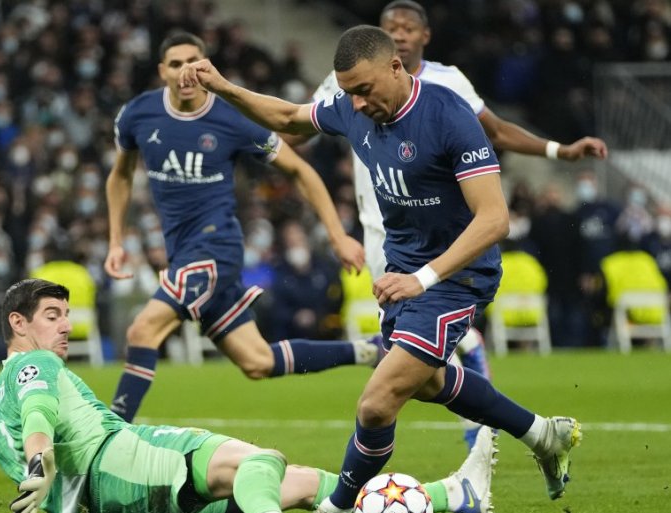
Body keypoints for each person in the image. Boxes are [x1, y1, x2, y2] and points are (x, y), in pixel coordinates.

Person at [179, 24, 582, 511]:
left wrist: (422, 279)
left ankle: (337, 506)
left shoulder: (447, 114)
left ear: (395, 67)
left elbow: (495, 220)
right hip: (402, 272)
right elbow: (288, 116)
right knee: (428, 381)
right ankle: (542, 434)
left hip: (456, 277)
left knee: (376, 403)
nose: (357, 103)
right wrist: (223, 87)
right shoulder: (353, 109)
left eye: (365, 90)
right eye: (348, 92)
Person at [0, 278, 499, 513]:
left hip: (108, 498)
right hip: (124, 459)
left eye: (66, 314)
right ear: (17, 324)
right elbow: (39, 412)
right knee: (260, 462)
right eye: (52, 315)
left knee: (301, 484)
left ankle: (454, 495)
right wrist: (39, 460)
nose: (65, 326)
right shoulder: (35, 366)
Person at [299, 0, 609, 448]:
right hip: (381, 237)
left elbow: (496, 133)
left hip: (440, 243)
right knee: (417, 373)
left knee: (392, 383)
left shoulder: (448, 84)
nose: (399, 33)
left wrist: (557, 150)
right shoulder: (345, 84)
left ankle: (474, 434)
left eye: (408, 28)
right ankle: (530, 426)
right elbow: (292, 128)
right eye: (390, 26)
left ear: (424, 36)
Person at [105, 31, 375, 423]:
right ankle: (368, 350)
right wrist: (116, 241)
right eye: (176, 64)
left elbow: (299, 170)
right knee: (258, 361)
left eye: (193, 61)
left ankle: (108, 435)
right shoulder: (137, 115)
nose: (185, 71)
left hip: (216, 250)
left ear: (206, 66)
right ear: (163, 71)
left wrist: (337, 235)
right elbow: (120, 176)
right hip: (184, 253)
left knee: (142, 331)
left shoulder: (231, 118)